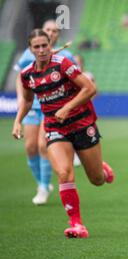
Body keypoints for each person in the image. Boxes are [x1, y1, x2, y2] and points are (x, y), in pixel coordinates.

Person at [12, 29, 115, 238]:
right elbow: (28, 100)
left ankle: (101, 169)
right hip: (55, 128)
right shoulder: (27, 75)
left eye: (44, 45)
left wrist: (67, 107)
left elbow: (89, 88)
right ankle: (76, 224)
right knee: (64, 173)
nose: (41, 50)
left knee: (96, 179)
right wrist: (17, 121)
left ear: (50, 45)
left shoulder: (63, 64)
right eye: (36, 47)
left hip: (82, 123)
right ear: (30, 49)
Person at [14, 20, 77, 205]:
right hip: (32, 104)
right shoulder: (29, 54)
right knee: (30, 147)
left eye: (55, 31)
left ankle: (43, 187)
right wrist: (20, 98)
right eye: (49, 29)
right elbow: (21, 77)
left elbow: (76, 78)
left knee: (43, 145)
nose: (52, 33)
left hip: (52, 106)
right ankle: (41, 183)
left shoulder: (65, 55)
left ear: (55, 37)